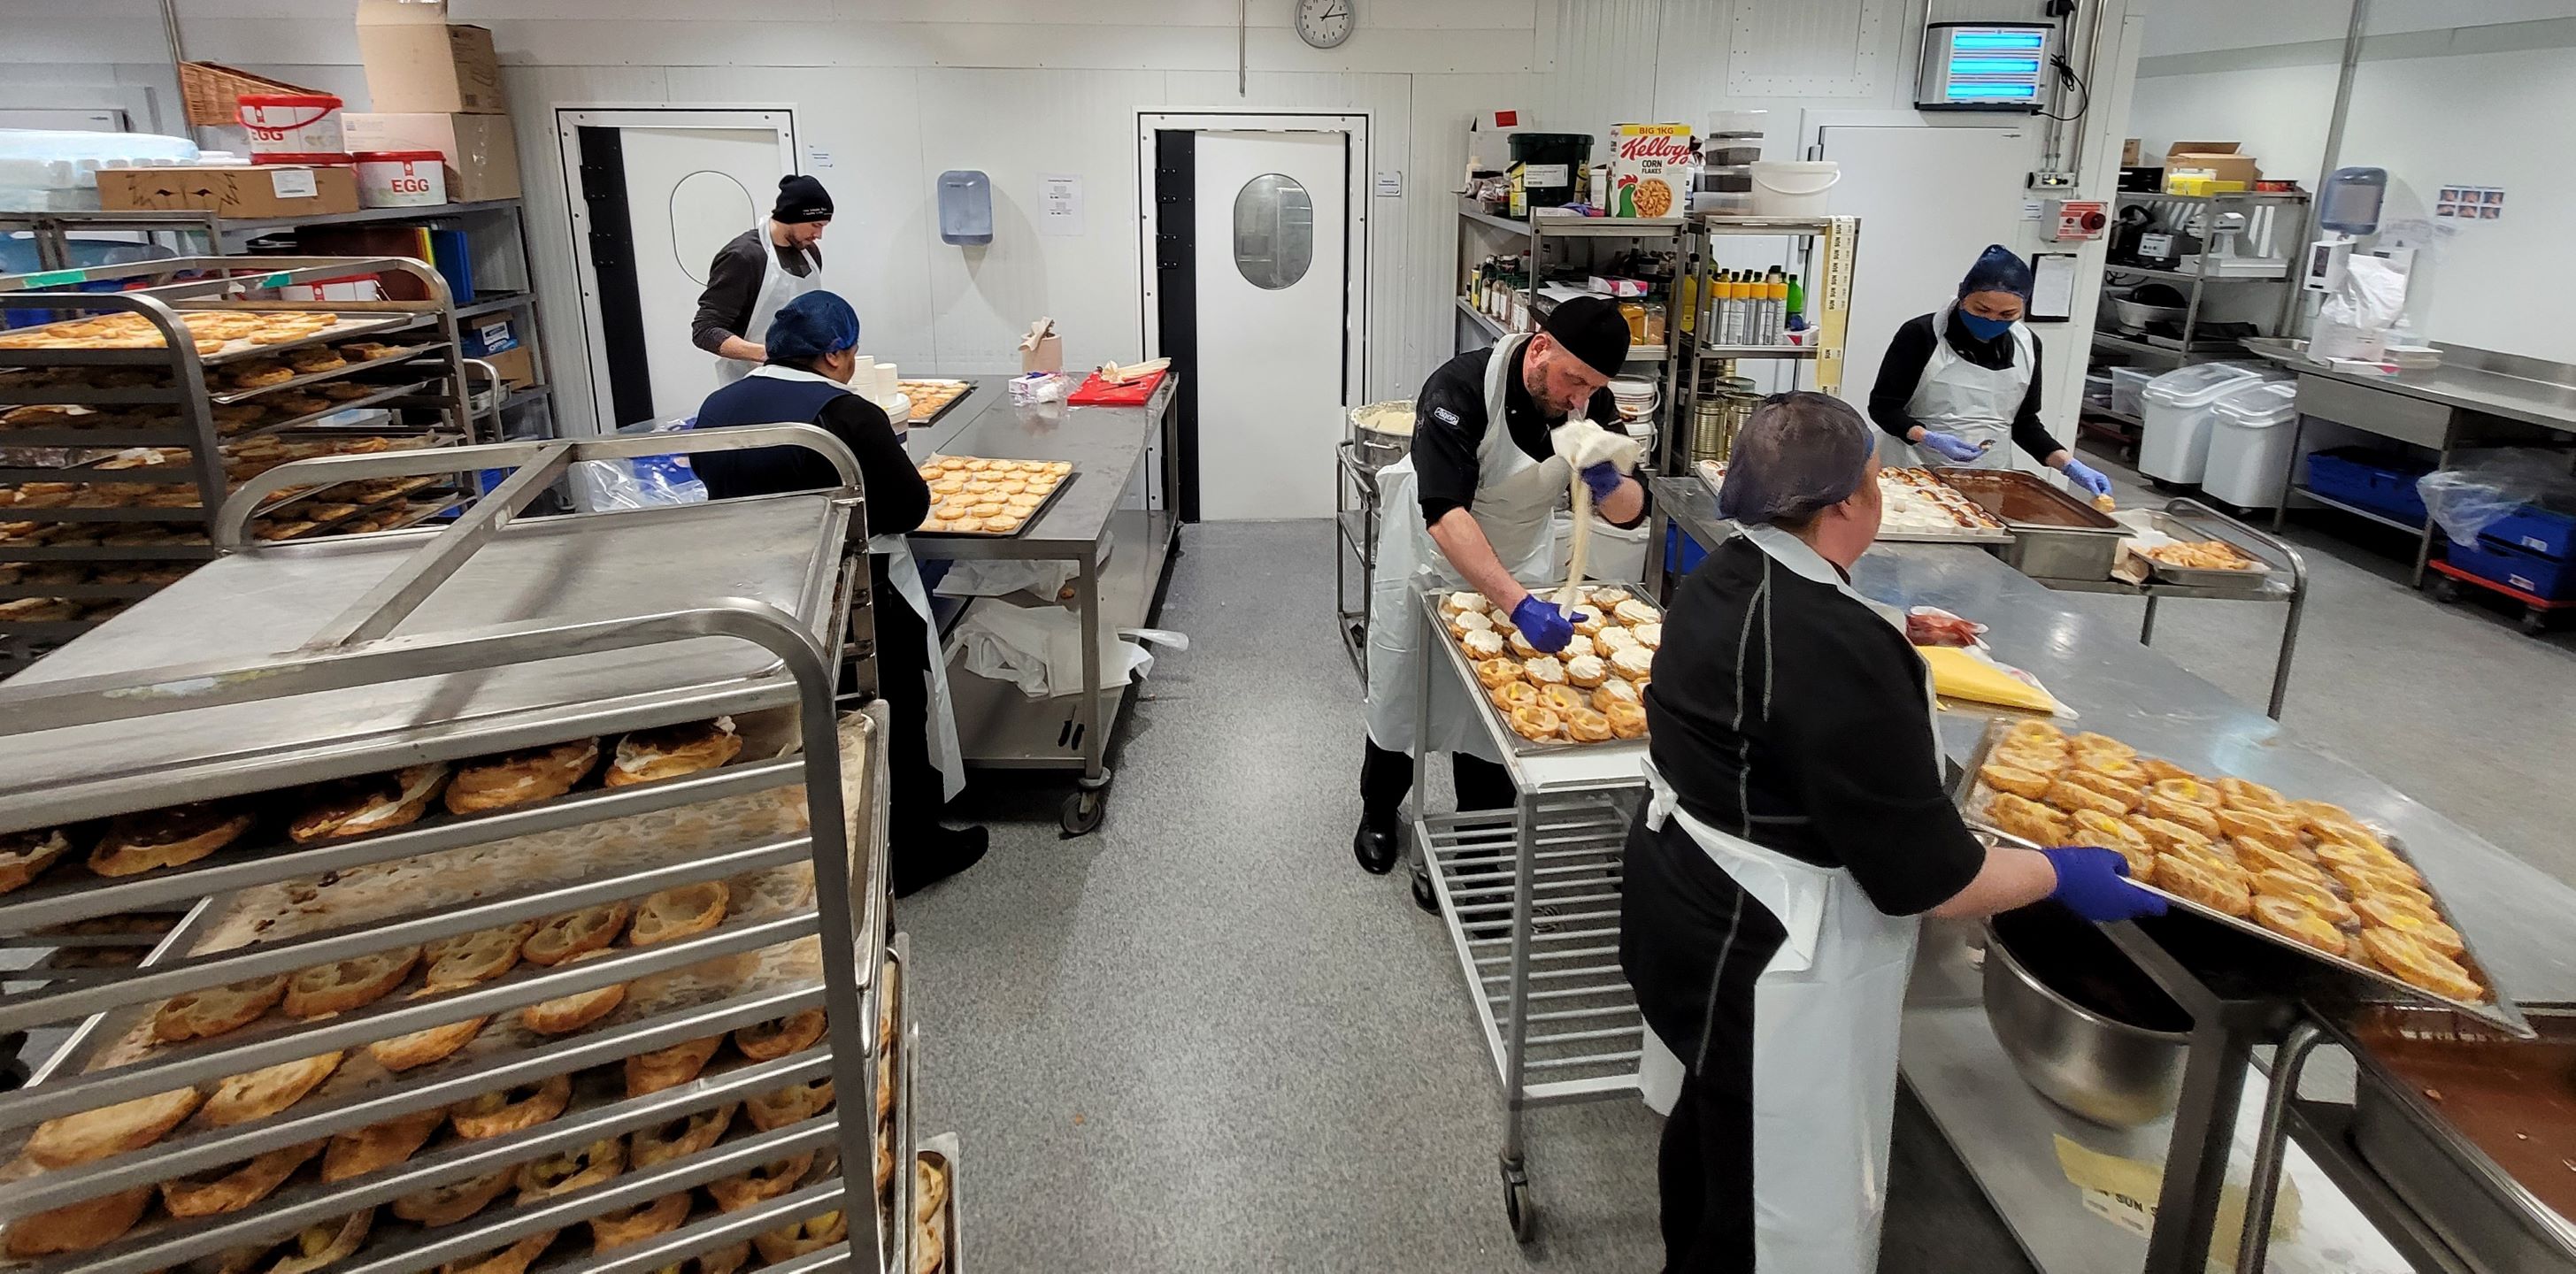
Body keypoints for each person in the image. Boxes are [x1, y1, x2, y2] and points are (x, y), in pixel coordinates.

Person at [1619, 392, 2164, 1273]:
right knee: (1760, 1191)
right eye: (1875, 480)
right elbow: (1933, 883)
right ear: (1844, 503)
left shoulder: (1717, 576)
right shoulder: (1837, 650)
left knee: (1712, 1125)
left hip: (1678, 903)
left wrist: (1890, 628)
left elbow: (1782, 661)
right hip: (1762, 958)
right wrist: (2057, 874)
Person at [689, 290, 987, 896]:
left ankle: (805, 842)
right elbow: (906, 506)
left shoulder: (718, 405)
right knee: (887, 710)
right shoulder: (845, 414)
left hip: (758, 591)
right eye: (849, 351)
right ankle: (910, 850)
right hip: (853, 592)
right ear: (831, 356)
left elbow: (706, 476)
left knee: (795, 717)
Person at [1353, 296, 1644, 876]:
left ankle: (1480, 853)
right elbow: (1444, 513)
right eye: (1573, 382)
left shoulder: (1588, 403)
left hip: (1519, 559)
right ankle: (1379, 812)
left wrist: (1608, 481)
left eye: (1593, 388)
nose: (1579, 400)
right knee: (1398, 691)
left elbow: (1632, 513)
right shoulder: (1459, 389)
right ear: (1539, 349)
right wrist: (1518, 604)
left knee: (1494, 717)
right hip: (1428, 557)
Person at [1868, 243, 2113, 500]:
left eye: (2008, 314)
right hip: (1912, 470)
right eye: (1981, 310)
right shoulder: (1922, 334)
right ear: (1963, 295)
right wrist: (1927, 437)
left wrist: (2067, 463)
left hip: (1987, 477)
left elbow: (2025, 424)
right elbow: (1883, 408)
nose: (1992, 320)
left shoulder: (2028, 345)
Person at [693, 174, 834, 387]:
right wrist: (769, 354)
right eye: (815, 225)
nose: (819, 234)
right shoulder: (743, 256)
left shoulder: (810, 253)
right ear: (793, 217)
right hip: (752, 382)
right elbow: (705, 330)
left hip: (803, 377)